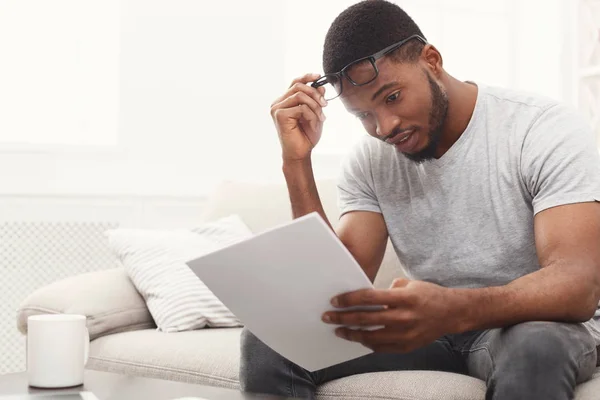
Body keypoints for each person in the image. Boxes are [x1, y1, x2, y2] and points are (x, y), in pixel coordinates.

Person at [240, 1, 600, 399]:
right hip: (432, 332)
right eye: (362, 115)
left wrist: (453, 307)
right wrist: (296, 162)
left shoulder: (541, 129)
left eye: (392, 97)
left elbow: (578, 285)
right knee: (270, 340)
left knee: (536, 346)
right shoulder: (371, 158)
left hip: (531, 326)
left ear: (431, 60)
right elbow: (329, 294)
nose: (383, 127)